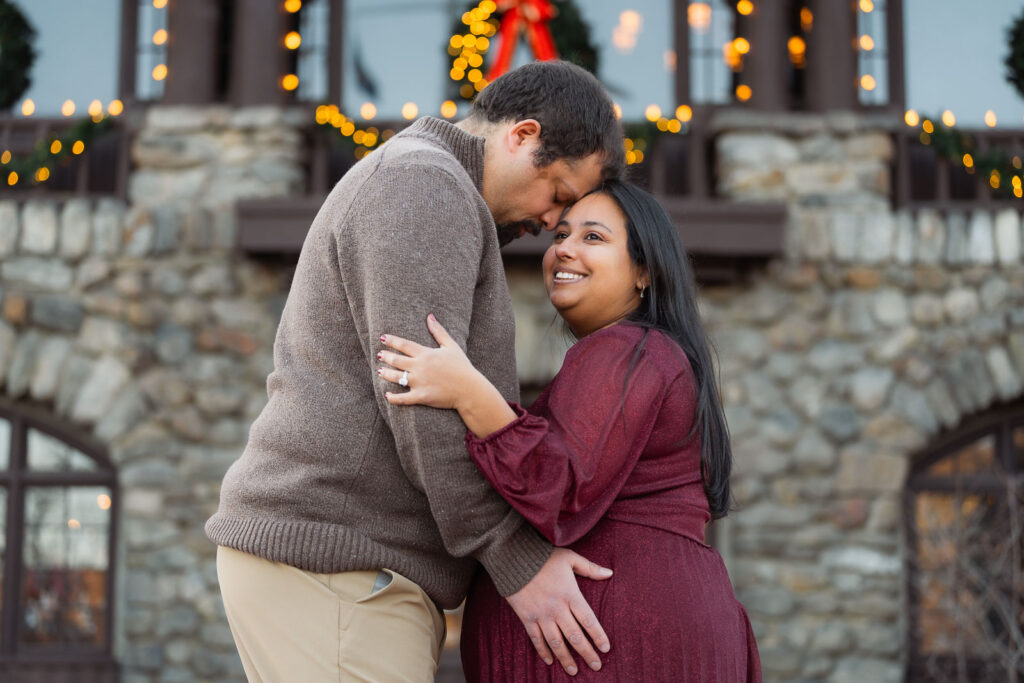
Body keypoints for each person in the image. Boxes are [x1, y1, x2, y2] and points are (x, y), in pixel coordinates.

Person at [205, 60, 625, 681]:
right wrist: (519, 562)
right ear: (521, 135)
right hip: (338, 570)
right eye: (558, 194)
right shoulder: (426, 187)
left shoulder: (424, 183)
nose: (547, 223)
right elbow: (420, 399)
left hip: (343, 570)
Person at [378, 181, 762, 681]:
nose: (564, 248)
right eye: (561, 234)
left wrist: (469, 392)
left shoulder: (628, 349)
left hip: (621, 647)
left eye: (593, 238)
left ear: (644, 272)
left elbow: (560, 488)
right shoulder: (647, 355)